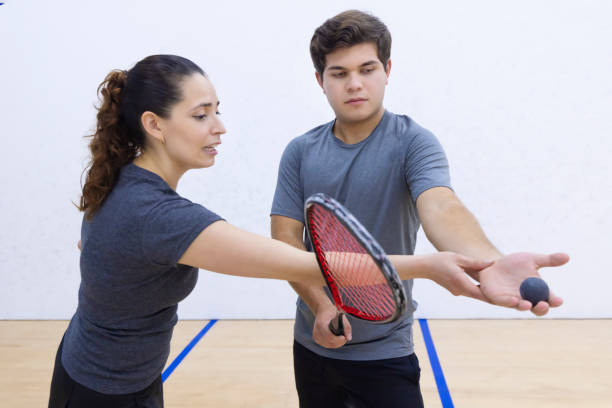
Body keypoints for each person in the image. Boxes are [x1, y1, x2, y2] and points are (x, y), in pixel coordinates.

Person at [48, 54, 500, 408]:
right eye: (201, 115)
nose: (220, 128)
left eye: (217, 111)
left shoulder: (122, 180)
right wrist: (428, 265)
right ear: (154, 125)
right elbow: (308, 264)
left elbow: (95, 245)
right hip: (101, 389)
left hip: (110, 369)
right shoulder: (157, 215)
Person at [270, 10, 569, 408]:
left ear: (387, 70)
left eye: (367, 68)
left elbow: (442, 206)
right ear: (320, 80)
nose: (355, 83)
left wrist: (489, 261)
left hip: (385, 351)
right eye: (339, 73)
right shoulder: (300, 152)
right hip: (313, 345)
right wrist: (321, 306)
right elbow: (285, 239)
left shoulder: (414, 143)